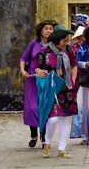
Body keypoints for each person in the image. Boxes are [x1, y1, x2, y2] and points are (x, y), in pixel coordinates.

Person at [36, 24, 78, 158]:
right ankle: (47, 143)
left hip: (66, 88)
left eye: (67, 40)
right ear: (56, 40)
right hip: (52, 88)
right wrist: (40, 73)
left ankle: (62, 149)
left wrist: (72, 80)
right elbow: (37, 68)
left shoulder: (68, 50)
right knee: (53, 119)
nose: (66, 43)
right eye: (64, 40)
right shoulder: (44, 52)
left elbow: (74, 65)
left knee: (65, 119)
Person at [20, 19, 58, 148]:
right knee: (31, 108)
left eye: (51, 29)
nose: (48, 30)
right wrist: (22, 70)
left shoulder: (55, 45)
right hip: (32, 80)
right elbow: (23, 58)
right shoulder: (34, 44)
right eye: (46, 28)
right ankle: (33, 134)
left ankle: (43, 138)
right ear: (41, 31)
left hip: (47, 81)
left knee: (44, 108)